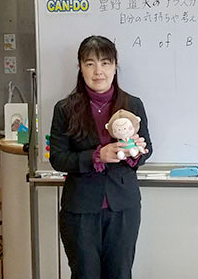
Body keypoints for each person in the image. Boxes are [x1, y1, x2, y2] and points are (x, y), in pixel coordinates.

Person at [49, 35, 152, 279]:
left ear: (115, 66)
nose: (98, 71)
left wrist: (135, 153)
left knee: (120, 273)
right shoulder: (65, 109)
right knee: (85, 274)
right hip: (81, 208)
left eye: (105, 63)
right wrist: (97, 156)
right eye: (90, 63)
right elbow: (58, 158)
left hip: (123, 207)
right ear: (80, 67)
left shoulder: (133, 104)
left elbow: (147, 149)